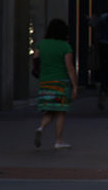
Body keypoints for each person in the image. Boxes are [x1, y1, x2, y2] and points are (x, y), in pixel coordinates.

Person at [32, 18, 78, 150]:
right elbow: (69, 67)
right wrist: (74, 86)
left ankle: (41, 127)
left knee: (50, 109)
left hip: (45, 82)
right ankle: (58, 140)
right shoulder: (65, 46)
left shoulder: (42, 44)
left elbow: (35, 61)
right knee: (61, 111)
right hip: (60, 82)